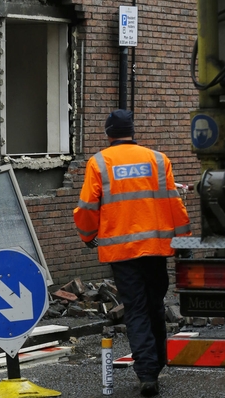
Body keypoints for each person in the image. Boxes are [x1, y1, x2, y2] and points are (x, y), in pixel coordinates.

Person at [73, 109, 191, 397]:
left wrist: (88, 236)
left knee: (136, 309)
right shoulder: (158, 160)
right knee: (155, 305)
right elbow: (174, 202)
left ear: (108, 133)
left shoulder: (99, 162)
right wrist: (183, 240)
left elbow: (88, 207)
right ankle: (158, 363)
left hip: (122, 252)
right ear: (132, 131)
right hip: (156, 248)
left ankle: (148, 373)